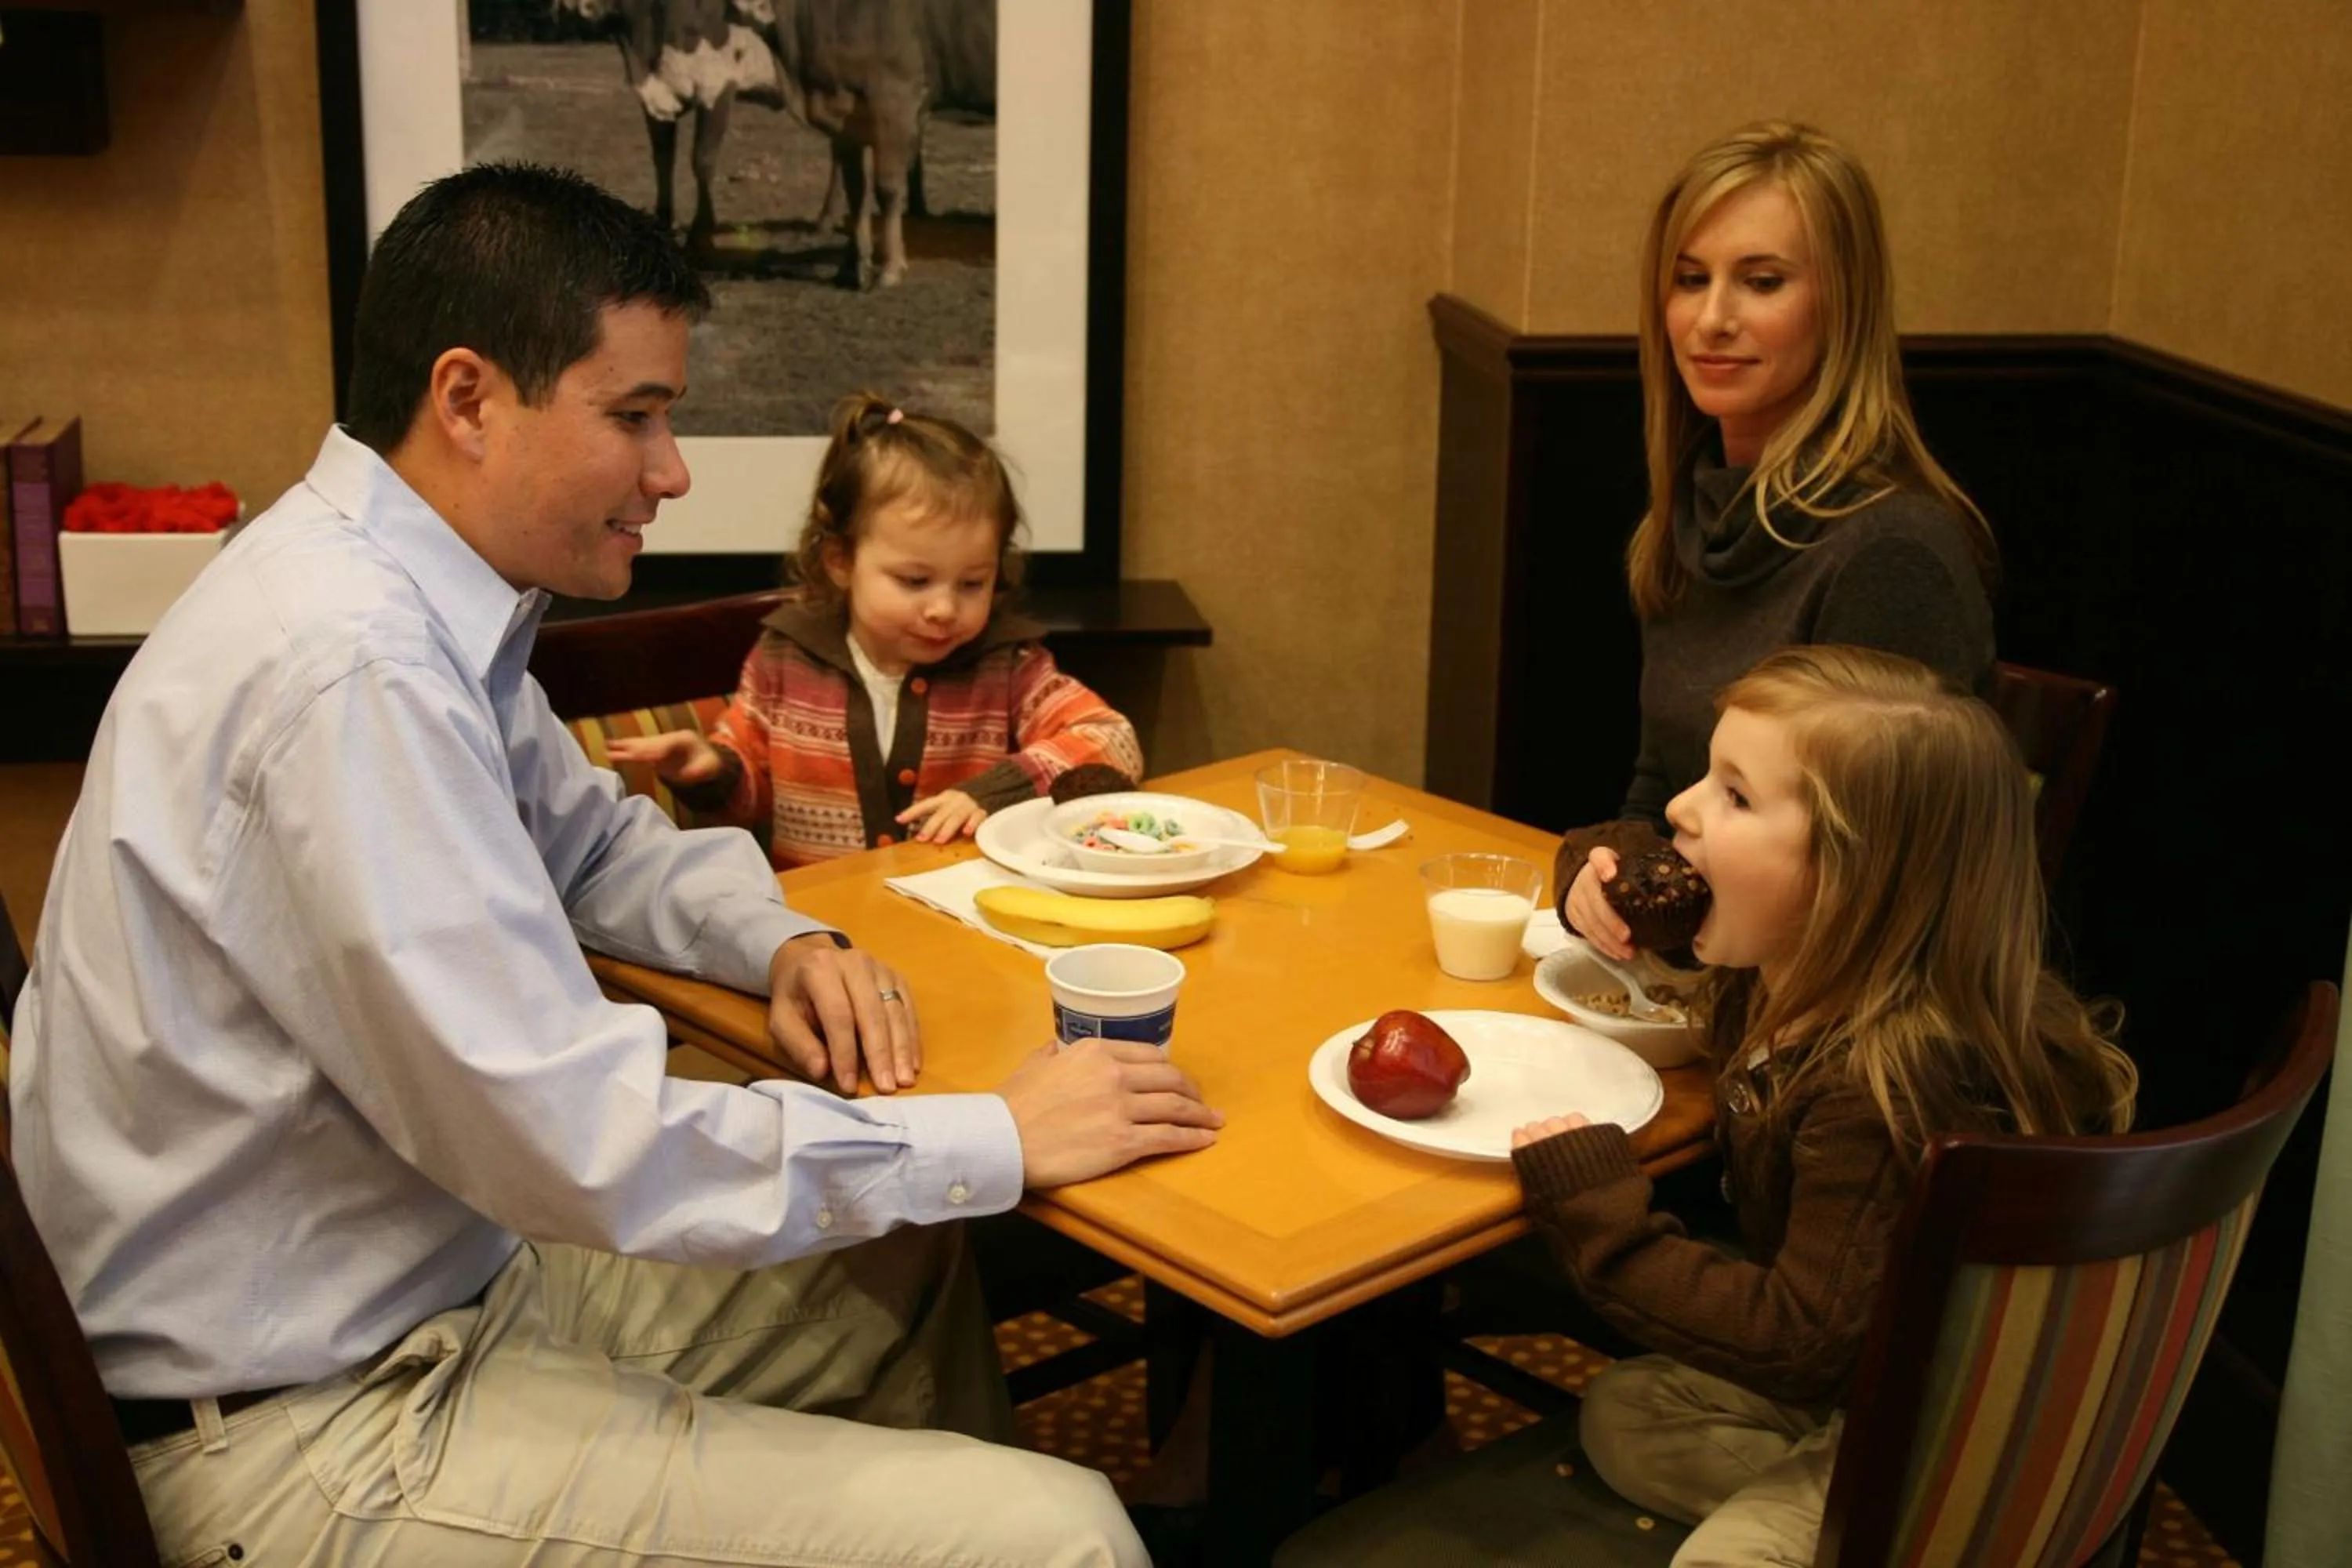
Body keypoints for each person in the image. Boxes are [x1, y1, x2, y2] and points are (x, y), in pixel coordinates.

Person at [6, 162, 1219, 1567]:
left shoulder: (382, 585)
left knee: (902, 1249)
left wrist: (783, 941)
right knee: (1063, 1529)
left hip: (415, 1281)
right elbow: (572, 1140)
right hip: (305, 1428)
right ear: (468, 400)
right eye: (635, 416)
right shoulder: (351, 672)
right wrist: (997, 1135)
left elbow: (589, 842)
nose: (672, 469)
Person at [1276, 646, 2137, 1566]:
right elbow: (1634, 855)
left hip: (1946, 1428)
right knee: (1628, 1409)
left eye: (1734, 795)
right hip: (1877, 1363)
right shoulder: (1789, 968)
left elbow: (1799, 1339)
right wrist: (1588, 875)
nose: (1682, 807)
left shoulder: (1885, 1085)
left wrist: (1602, 1212)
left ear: (1852, 875)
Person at [1560, 120, 1998, 963]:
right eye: (1690, 279)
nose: (1712, 318)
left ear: (1843, 303)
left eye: (1761, 281)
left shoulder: (1890, 554)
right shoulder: (1693, 517)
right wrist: (1596, 869)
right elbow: (1661, 788)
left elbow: (1885, 899)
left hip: (1839, 1040)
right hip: (1712, 984)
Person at [606, 391, 1143, 865]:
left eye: (973, 583)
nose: (943, 609)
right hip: (820, 932)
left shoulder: (1008, 666)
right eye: (915, 581)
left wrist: (998, 791)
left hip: (959, 918)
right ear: (841, 560)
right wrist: (710, 768)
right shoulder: (786, 658)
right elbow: (752, 792)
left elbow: (1112, 740)